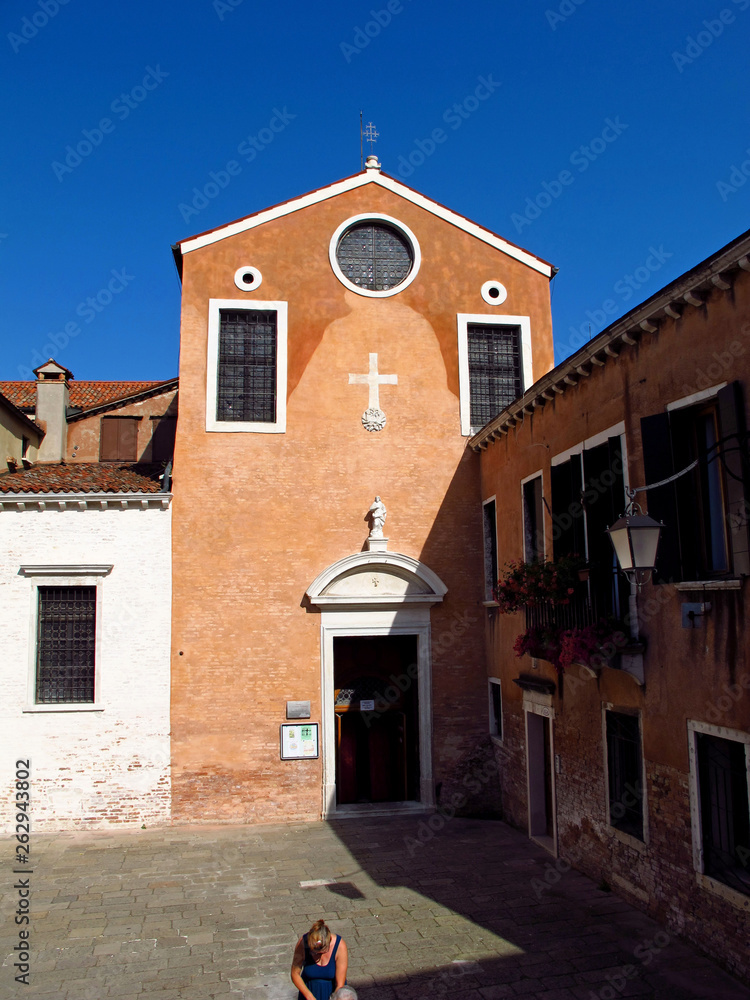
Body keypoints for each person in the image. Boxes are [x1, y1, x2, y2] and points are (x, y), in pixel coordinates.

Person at [291, 919, 348, 1000]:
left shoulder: (340, 945)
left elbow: (340, 985)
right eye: (314, 952)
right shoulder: (303, 943)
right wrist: (309, 996)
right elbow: (295, 974)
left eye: (321, 953)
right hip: (309, 991)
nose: (317, 955)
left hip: (332, 993)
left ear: (328, 944)